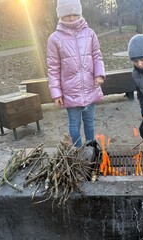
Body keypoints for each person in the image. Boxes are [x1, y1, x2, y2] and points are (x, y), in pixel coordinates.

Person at [47, 0, 105, 147]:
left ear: (79, 13)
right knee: (74, 124)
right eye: (67, 15)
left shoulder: (90, 33)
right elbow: (53, 68)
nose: (71, 18)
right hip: (70, 91)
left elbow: (97, 56)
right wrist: (56, 93)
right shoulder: (54, 39)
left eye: (74, 14)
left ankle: (91, 149)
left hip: (90, 88)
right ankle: (78, 153)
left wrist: (99, 74)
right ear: (60, 15)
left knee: (90, 122)